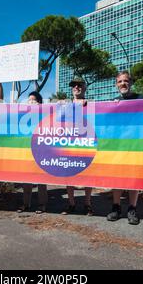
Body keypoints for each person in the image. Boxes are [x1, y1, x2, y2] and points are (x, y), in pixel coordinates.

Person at [107, 71, 143, 225]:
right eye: (120, 81)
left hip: (136, 146)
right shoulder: (113, 101)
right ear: (116, 84)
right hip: (118, 146)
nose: (123, 83)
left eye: (126, 81)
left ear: (131, 83)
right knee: (117, 178)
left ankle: (132, 209)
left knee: (133, 178)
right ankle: (116, 207)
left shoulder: (141, 99)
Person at [61, 77, 93, 216]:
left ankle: (87, 204)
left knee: (88, 174)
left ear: (85, 87)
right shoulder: (65, 104)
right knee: (69, 175)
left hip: (86, 144)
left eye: (79, 85)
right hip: (69, 144)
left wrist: (88, 105)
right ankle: (71, 203)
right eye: (73, 85)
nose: (76, 87)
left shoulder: (91, 104)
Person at [17, 91, 48, 214]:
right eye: (29, 100)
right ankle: (25, 203)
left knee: (41, 180)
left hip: (41, 151)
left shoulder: (45, 115)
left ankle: (42, 205)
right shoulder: (24, 117)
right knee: (26, 179)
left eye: (33, 100)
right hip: (27, 151)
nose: (30, 102)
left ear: (39, 102)